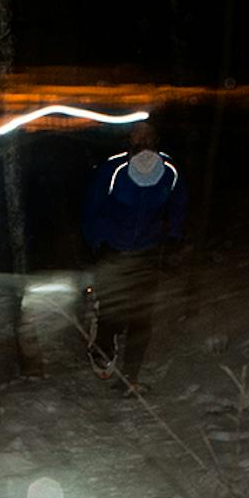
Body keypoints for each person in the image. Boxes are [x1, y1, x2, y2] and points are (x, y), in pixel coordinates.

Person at [80, 121, 186, 387]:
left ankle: (131, 377)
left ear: (156, 138)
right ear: (130, 139)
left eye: (148, 134)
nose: (143, 139)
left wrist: (173, 239)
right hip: (113, 250)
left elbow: (178, 206)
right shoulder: (113, 169)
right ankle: (103, 347)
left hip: (147, 253)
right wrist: (97, 243)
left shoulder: (169, 170)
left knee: (142, 317)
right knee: (113, 311)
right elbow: (92, 209)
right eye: (138, 135)